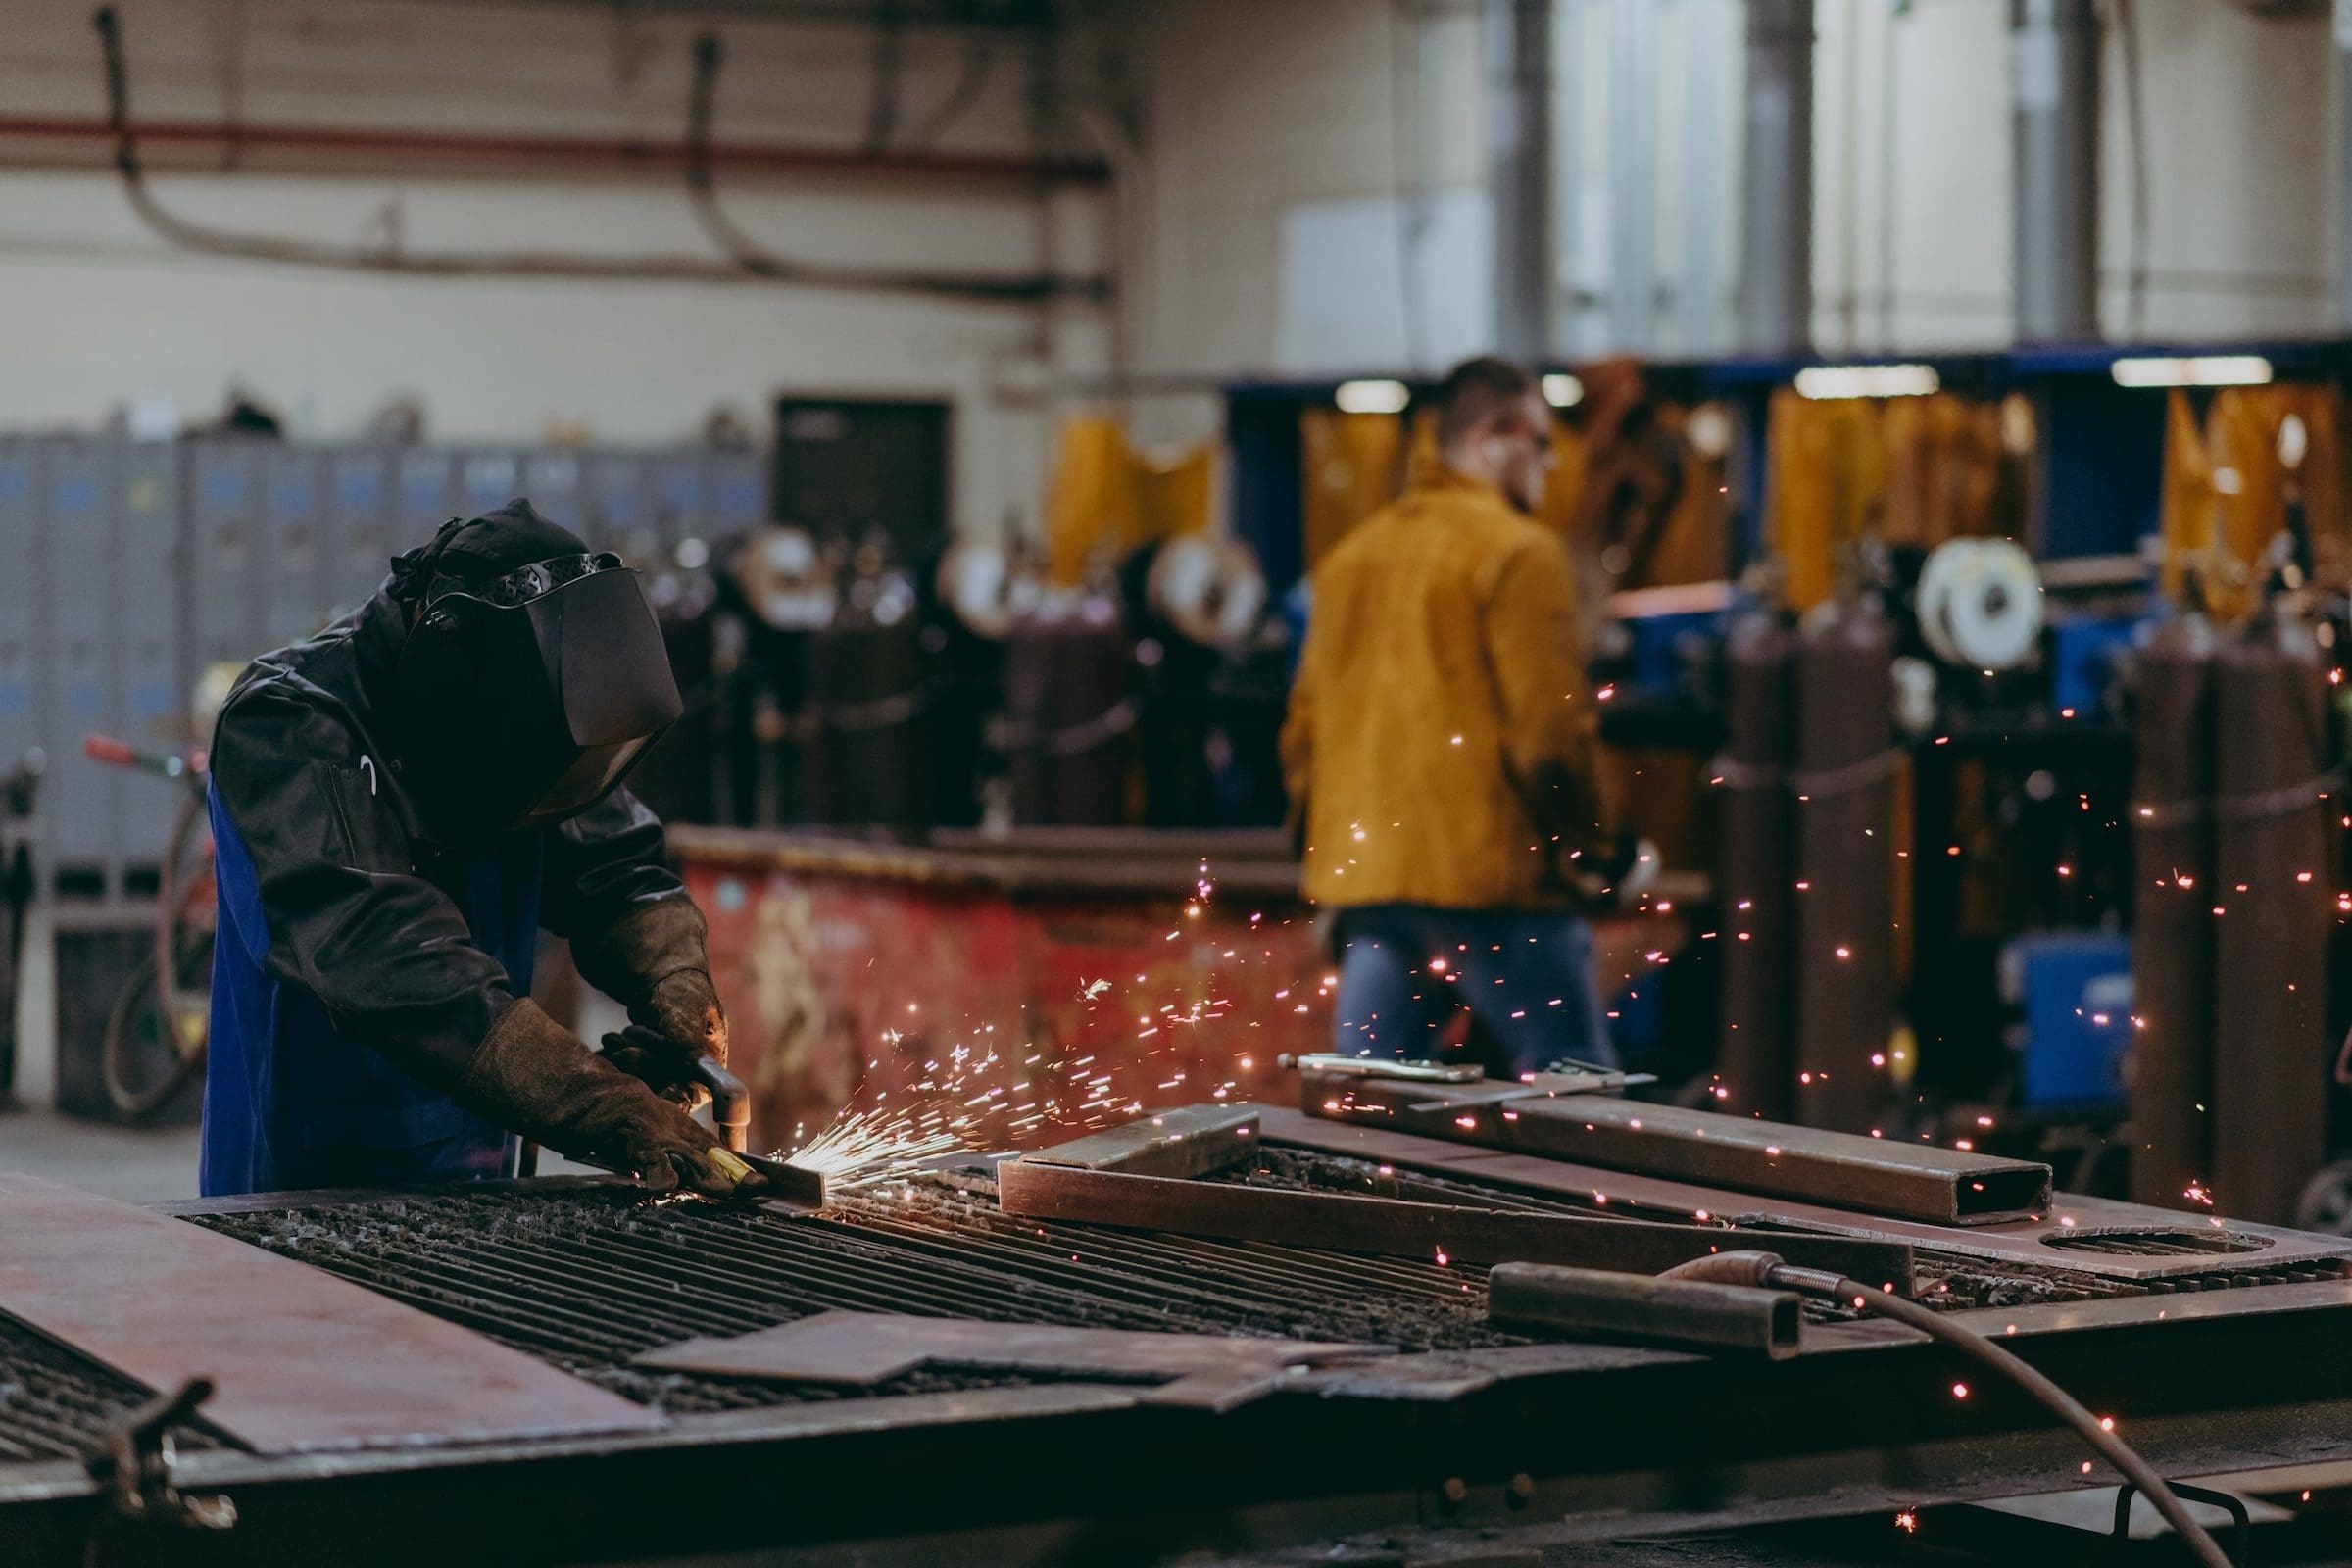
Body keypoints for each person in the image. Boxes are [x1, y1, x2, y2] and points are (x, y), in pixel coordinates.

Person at [200, 499, 756, 1199]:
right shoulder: (288, 726)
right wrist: (599, 1104)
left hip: (485, 1157)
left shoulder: (527, 717)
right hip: (304, 1175)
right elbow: (392, 964)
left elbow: (614, 866)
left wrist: (674, 983)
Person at [1281, 355, 1627, 1079]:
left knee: (1370, 1111)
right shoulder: (1519, 553)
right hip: (1494, 893)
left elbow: (1304, 735)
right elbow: (1550, 741)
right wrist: (1596, 849)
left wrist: (1320, 859)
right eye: (1539, 443)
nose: (1548, 464)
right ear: (1494, 437)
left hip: (1372, 888)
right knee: (1580, 1104)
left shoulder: (1349, 559)